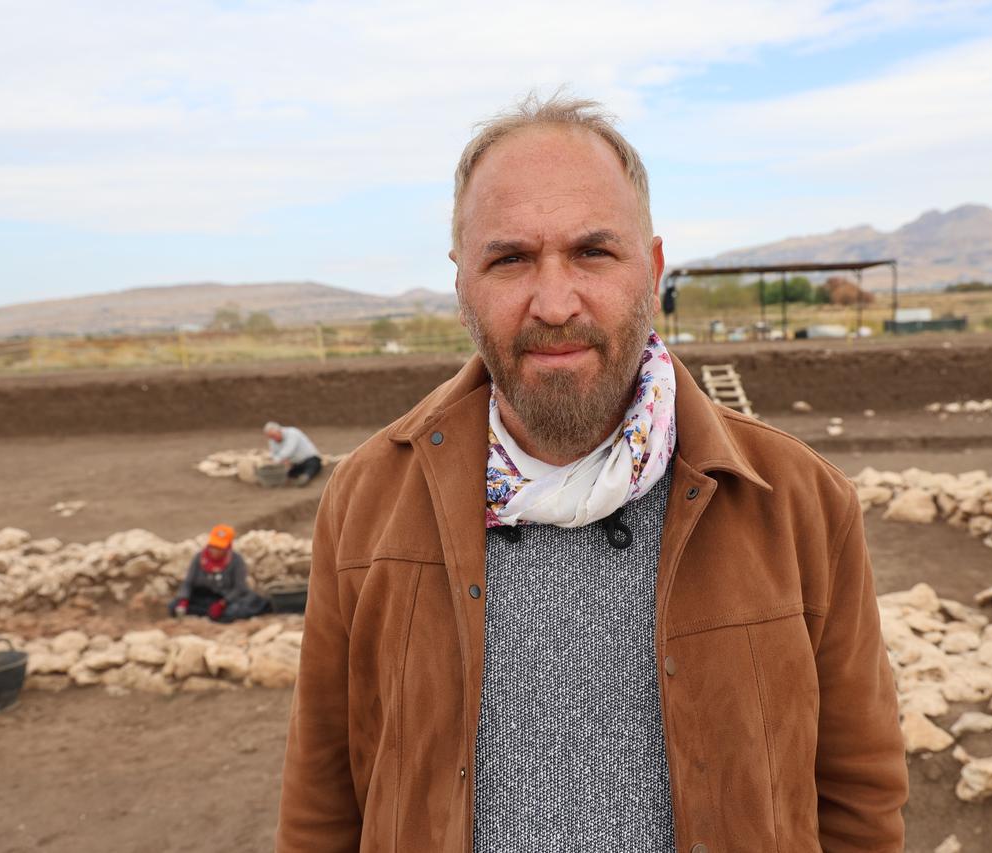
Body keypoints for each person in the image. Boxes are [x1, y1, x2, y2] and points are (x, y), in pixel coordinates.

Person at [277, 94, 906, 852]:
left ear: (654, 268)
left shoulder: (800, 502)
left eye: (592, 252)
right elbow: (321, 798)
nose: (553, 301)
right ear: (461, 282)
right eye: (510, 259)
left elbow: (859, 792)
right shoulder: (365, 501)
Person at [170, 525, 270, 622]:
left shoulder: (236, 561)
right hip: (204, 597)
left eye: (219, 547)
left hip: (226, 599)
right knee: (173, 606)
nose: (215, 550)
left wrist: (223, 603)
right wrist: (184, 600)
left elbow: (240, 588)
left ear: (227, 547)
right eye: (213, 546)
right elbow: (188, 583)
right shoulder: (199, 558)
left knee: (234, 611)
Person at [264, 422, 323, 486]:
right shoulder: (272, 440)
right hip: (295, 464)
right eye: (270, 437)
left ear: (279, 430)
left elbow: (288, 450)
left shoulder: (292, 433)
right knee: (289, 472)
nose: (273, 439)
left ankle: (306, 477)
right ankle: (296, 478)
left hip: (309, 459)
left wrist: (276, 460)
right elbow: (273, 453)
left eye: (273, 436)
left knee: (313, 464)